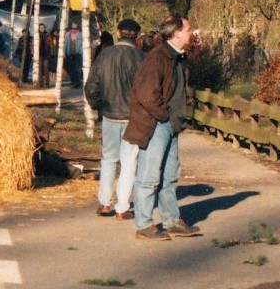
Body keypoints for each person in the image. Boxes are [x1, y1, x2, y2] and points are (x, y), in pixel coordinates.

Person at [123, 15, 201, 241]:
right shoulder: (158, 57)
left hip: (171, 124)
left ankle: (172, 221)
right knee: (149, 177)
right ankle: (144, 225)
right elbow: (146, 93)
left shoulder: (177, 57)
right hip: (157, 124)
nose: (191, 33)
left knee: (170, 176)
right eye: (188, 29)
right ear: (176, 33)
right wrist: (163, 116)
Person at [84, 18, 143, 220]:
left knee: (109, 159)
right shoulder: (141, 57)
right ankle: (122, 208)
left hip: (109, 115)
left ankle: (104, 202)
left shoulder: (105, 55)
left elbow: (91, 86)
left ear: (118, 32)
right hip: (132, 117)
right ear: (137, 36)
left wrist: (98, 106)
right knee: (129, 162)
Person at [63, 20, 84, 88]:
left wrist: (80, 52)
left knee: (77, 68)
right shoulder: (67, 35)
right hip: (69, 54)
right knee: (71, 68)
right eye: (72, 28)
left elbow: (83, 44)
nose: (74, 30)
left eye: (75, 28)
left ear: (78, 28)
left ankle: (78, 82)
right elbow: (64, 44)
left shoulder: (80, 35)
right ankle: (73, 82)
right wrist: (63, 52)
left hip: (78, 54)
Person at [37, 23, 54, 88]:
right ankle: (40, 83)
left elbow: (51, 44)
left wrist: (51, 52)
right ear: (39, 28)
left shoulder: (47, 35)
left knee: (46, 68)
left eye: (42, 28)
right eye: (40, 28)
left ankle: (47, 83)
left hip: (46, 54)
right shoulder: (37, 35)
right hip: (39, 54)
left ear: (44, 28)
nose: (41, 29)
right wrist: (33, 53)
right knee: (39, 68)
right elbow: (33, 44)